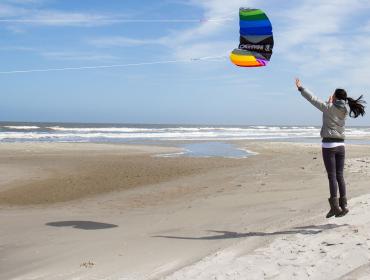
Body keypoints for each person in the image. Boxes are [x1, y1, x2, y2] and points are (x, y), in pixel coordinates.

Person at [295, 78, 366, 218]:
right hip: (341, 145)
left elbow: (313, 99)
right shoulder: (345, 110)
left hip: (329, 145)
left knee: (332, 176)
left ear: (335, 97)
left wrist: (301, 88)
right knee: (340, 176)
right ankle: (343, 205)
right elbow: (333, 111)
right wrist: (330, 102)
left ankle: (335, 207)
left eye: (333, 95)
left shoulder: (328, 108)